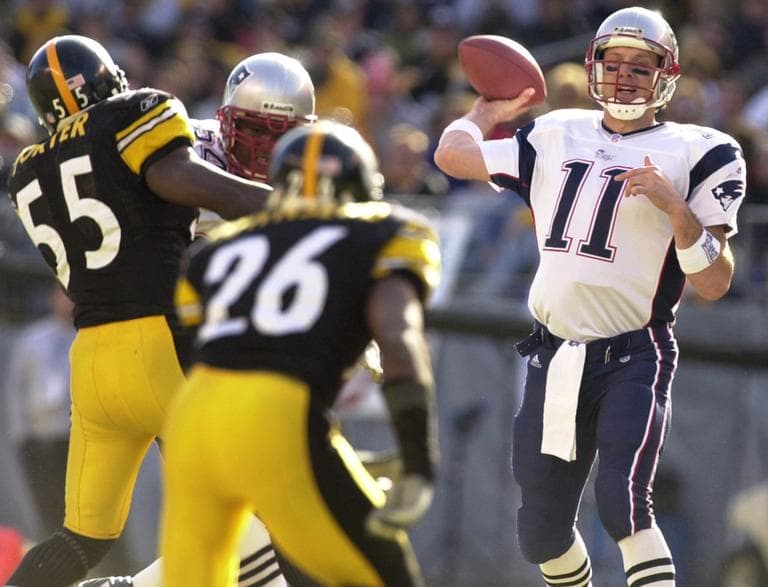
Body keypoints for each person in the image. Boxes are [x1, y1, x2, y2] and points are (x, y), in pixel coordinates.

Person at [434, 6, 745, 587]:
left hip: (635, 351)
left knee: (622, 502)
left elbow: (715, 281)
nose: (625, 75)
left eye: (641, 64)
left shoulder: (701, 149)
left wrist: (677, 211)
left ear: (666, 73)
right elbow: (451, 156)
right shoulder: (557, 131)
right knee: (541, 533)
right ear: (593, 64)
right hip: (555, 355)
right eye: (614, 61)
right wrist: (486, 110)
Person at [5, 34, 271, 587]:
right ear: (107, 79)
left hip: (93, 362)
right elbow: (183, 181)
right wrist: (297, 206)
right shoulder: (137, 113)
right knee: (255, 512)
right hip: (165, 349)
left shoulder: (28, 170)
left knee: (80, 539)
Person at [160, 119, 441, 586]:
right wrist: (418, 461)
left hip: (192, 418)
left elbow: (225, 349)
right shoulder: (386, 232)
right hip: (279, 417)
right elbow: (398, 339)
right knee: (387, 578)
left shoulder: (219, 249)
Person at [79, 50, 319, 587]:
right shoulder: (184, 149)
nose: (263, 148)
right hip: (167, 346)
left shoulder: (318, 173)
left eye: (282, 135)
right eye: (255, 130)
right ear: (227, 118)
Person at [5, 282, 74, 538]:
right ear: (52, 298)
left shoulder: (86, 336)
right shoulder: (33, 338)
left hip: (74, 435)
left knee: (79, 505)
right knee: (46, 502)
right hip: (39, 437)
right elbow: (16, 389)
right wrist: (21, 435)